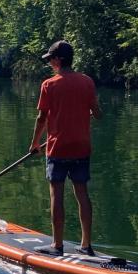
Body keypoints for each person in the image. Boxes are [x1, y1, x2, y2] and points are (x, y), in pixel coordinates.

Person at [29, 39, 101, 256]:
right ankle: (86, 244)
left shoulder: (49, 85)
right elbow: (98, 114)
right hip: (81, 147)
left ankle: (57, 245)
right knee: (82, 193)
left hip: (58, 149)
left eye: (50, 59)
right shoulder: (87, 82)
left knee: (56, 195)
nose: (49, 63)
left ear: (58, 60)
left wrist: (34, 144)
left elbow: (41, 118)